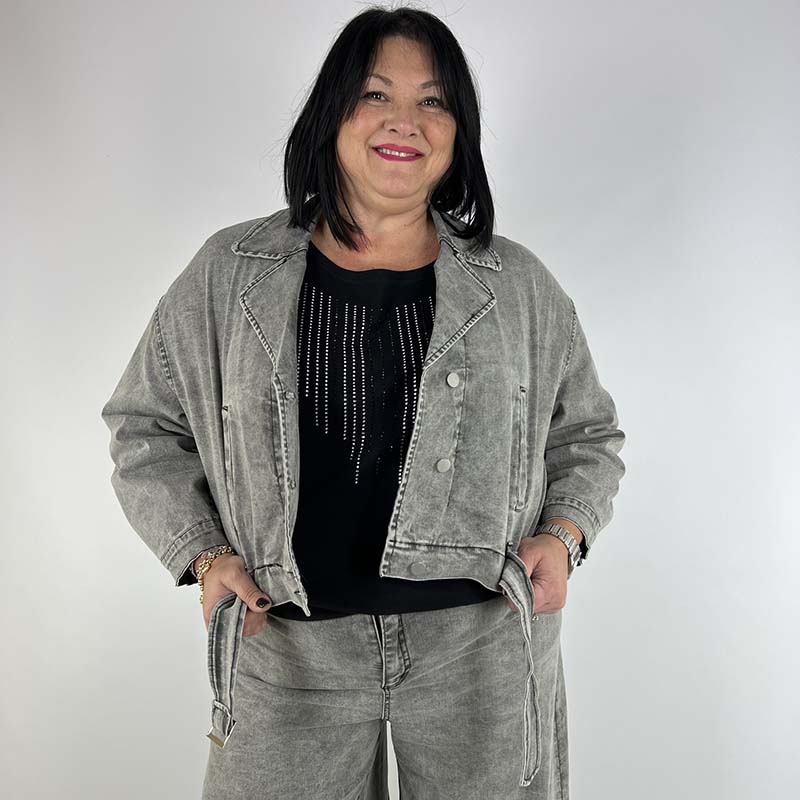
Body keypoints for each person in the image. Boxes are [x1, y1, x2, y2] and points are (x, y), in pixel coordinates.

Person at [100, 6, 626, 798]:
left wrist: (563, 533)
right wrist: (204, 557)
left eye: (433, 100)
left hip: (479, 647)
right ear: (333, 114)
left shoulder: (518, 286)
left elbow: (587, 435)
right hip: (284, 644)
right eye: (376, 94)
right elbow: (145, 428)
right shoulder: (229, 272)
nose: (404, 121)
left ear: (458, 131)